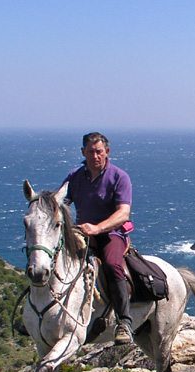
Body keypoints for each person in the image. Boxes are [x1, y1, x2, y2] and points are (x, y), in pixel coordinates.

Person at [62, 132, 135, 345]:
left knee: (112, 265)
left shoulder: (119, 177)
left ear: (107, 152)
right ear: (83, 152)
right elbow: (62, 202)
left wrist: (97, 228)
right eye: (91, 152)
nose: (95, 156)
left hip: (111, 234)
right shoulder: (75, 177)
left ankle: (124, 322)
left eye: (99, 152)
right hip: (82, 232)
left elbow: (123, 213)